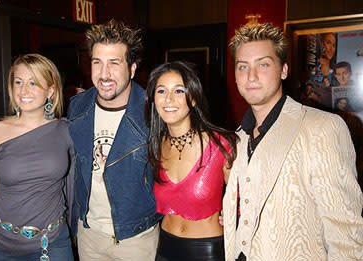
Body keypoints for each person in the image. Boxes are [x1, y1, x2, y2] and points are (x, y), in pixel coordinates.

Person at [223, 23, 363, 260]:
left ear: (284, 70)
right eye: (243, 67)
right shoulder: (238, 137)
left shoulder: (322, 127)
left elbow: (347, 237)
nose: (251, 76)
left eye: (263, 64)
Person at [67, 19, 162, 260]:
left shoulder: (154, 110)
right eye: (97, 62)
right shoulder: (77, 107)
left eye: (114, 63)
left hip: (137, 238)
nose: (104, 74)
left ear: (132, 68)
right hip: (89, 235)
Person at [0, 54, 75, 261]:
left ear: (51, 91)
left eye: (33, 83)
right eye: (19, 82)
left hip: (51, 243)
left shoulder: (67, 131)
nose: (24, 90)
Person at [144, 61, 237, 261]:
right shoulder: (155, 145)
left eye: (178, 91)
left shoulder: (221, 145)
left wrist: (235, 214)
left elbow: (248, 198)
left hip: (207, 251)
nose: (168, 99)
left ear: (193, 98)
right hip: (165, 248)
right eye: (161, 91)